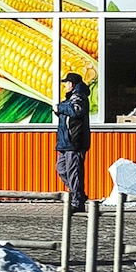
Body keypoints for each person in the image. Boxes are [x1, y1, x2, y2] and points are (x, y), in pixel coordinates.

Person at [53, 72, 91, 213]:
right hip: (65, 142)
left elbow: (76, 110)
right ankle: (78, 194)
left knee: (73, 172)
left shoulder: (79, 97)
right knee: (61, 168)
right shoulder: (72, 98)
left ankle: (78, 201)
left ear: (72, 84)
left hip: (74, 142)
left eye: (67, 83)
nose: (65, 86)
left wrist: (60, 108)